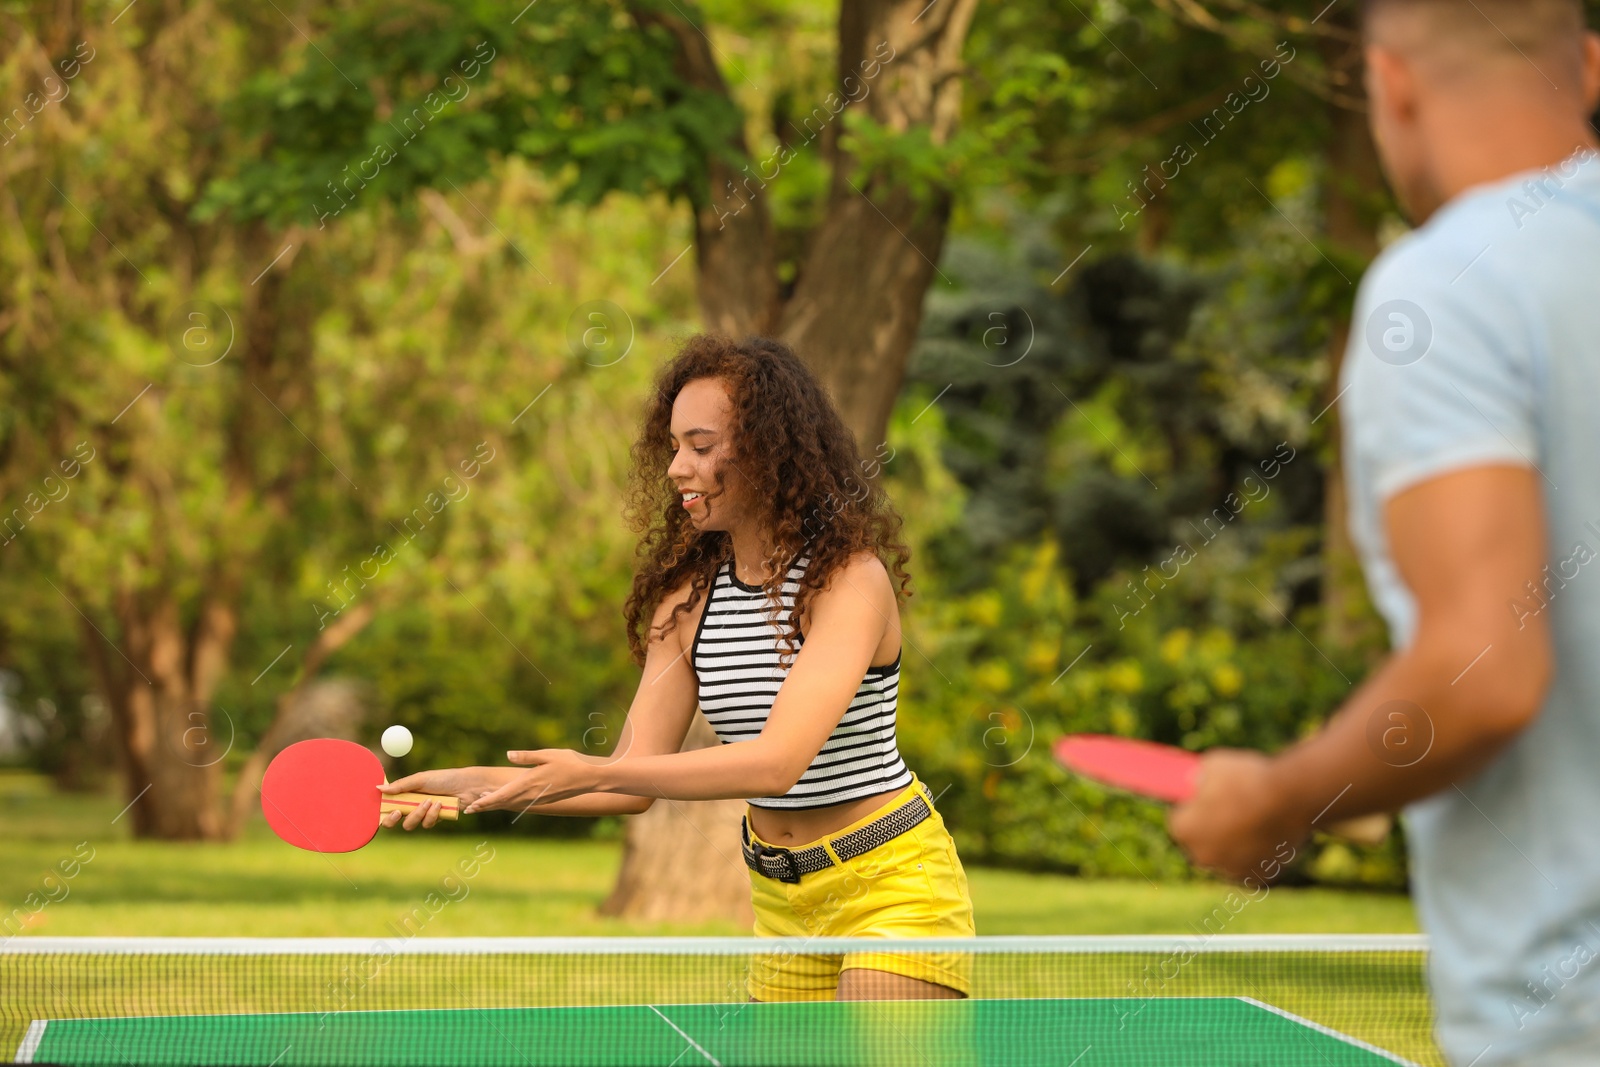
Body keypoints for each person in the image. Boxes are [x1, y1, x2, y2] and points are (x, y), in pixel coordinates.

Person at [1169, 1, 1600, 1063]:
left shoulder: (1448, 289)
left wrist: (1276, 801)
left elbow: (1486, 668)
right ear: (1588, 67)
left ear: (1391, 83)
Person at [381, 334, 976, 1002]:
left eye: (700, 445)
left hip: (889, 885)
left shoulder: (848, 581)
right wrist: (467, 785)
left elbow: (775, 763)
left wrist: (601, 768)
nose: (675, 469)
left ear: (768, 448)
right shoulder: (689, 600)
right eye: (673, 447)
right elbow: (627, 783)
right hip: (781, 901)